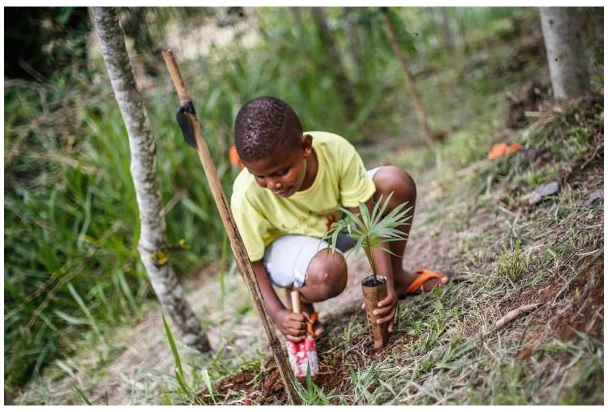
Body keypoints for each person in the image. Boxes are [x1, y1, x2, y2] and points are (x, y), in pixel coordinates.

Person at [230, 96, 449, 343]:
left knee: (395, 183)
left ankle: (397, 279)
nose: (273, 184)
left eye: (281, 171)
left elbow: (369, 221)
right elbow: (250, 262)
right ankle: (300, 298)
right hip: (287, 250)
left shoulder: (335, 151)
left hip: (336, 227)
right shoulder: (246, 195)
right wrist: (278, 314)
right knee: (327, 273)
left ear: (305, 147)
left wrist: (383, 281)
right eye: (261, 176)